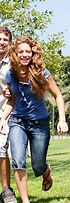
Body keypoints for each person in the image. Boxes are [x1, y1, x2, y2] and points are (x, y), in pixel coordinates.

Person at [0, 36, 68, 203]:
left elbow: (58, 95)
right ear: (14, 53)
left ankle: (45, 171)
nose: (25, 55)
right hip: (17, 122)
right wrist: (3, 118)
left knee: (37, 165)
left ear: (33, 53)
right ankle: (25, 201)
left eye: (28, 51)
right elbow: (11, 99)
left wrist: (62, 119)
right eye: (21, 51)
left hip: (40, 124)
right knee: (17, 160)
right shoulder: (11, 74)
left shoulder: (42, 72)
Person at [0, 27, 17, 203]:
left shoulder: (13, 63)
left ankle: (7, 190)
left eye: (5, 39)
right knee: (1, 147)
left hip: (11, 110)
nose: (1, 42)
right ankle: (6, 190)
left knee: (3, 147)